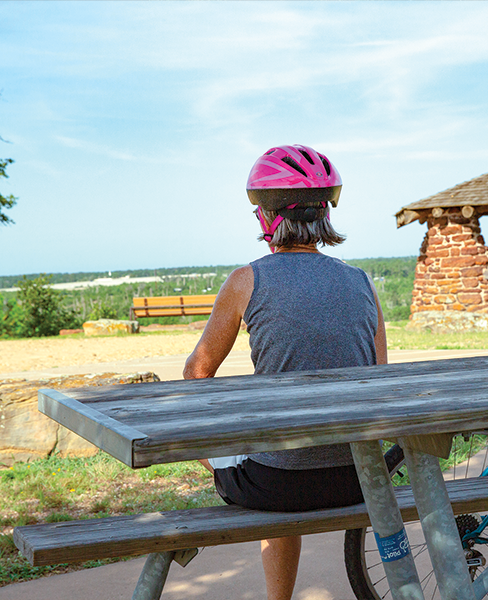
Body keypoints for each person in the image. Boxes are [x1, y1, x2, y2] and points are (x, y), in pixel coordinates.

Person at [183, 144, 387, 600]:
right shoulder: (362, 282)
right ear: (325, 215)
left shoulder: (245, 280)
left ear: (265, 218)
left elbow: (197, 375)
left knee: (270, 450)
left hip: (274, 486)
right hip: (359, 479)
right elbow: (379, 378)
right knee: (281, 446)